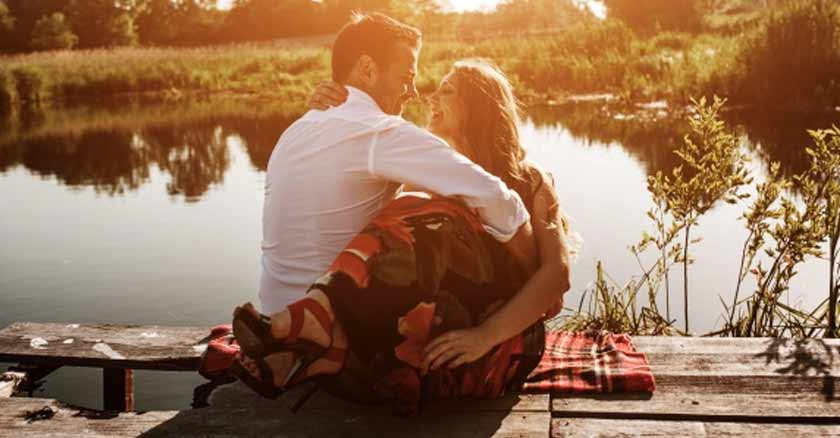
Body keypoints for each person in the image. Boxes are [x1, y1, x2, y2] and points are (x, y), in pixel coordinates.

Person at [232, 13, 574, 412]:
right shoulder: (390, 145)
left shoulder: (299, 132)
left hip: (490, 328)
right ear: (367, 68)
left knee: (420, 212)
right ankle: (313, 325)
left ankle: (310, 322)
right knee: (418, 211)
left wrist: (508, 307)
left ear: (479, 107)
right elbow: (482, 200)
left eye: (446, 92)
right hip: (384, 339)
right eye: (407, 75)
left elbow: (554, 278)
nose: (419, 93)